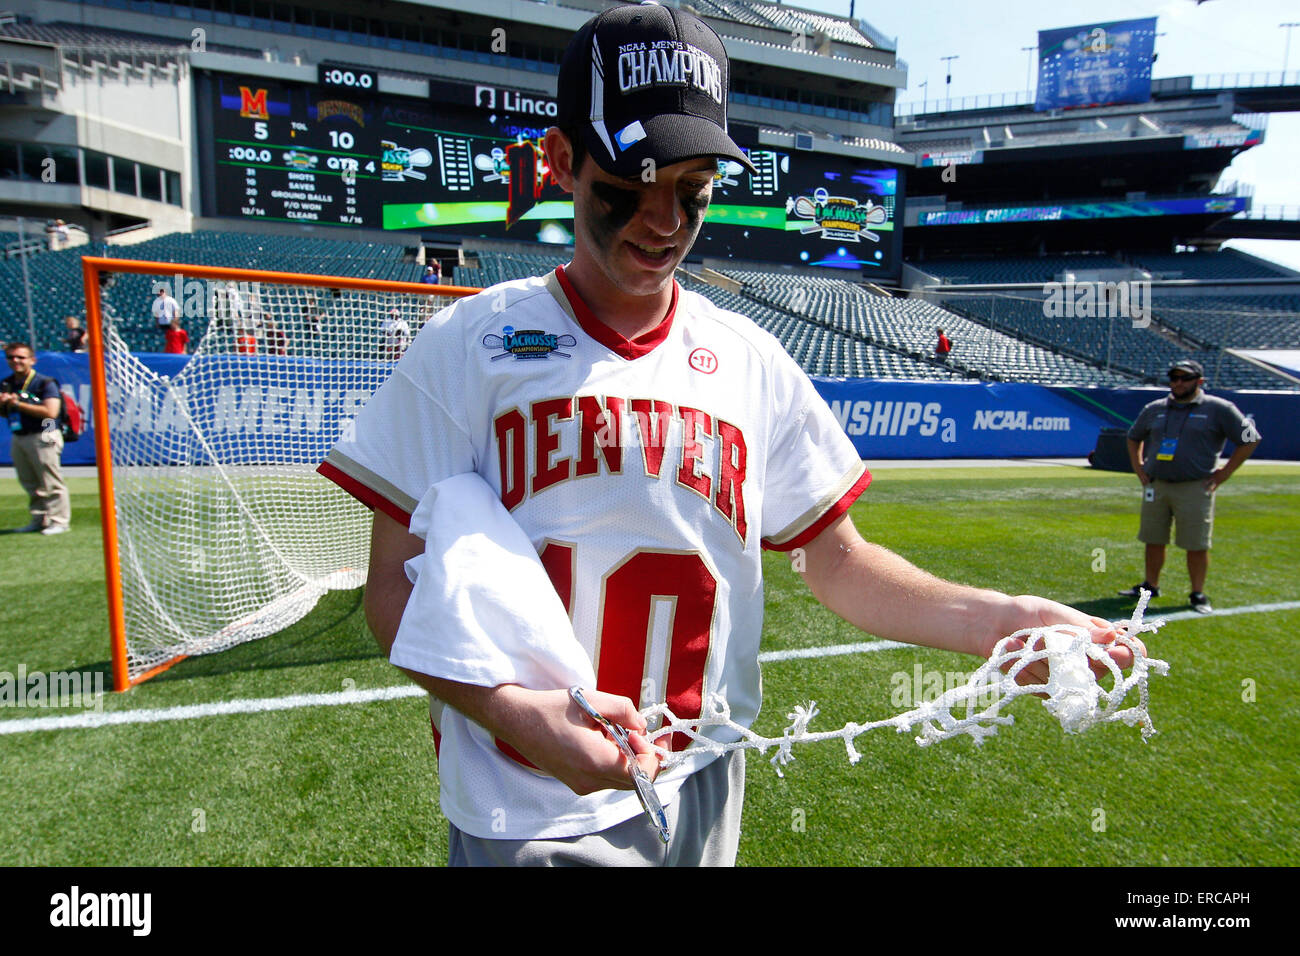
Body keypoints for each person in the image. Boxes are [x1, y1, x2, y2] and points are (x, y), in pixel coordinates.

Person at [319, 1, 1136, 867]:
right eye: (628, 186)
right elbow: (393, 594)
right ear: (560, 161)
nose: (664, 220)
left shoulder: (749, 360)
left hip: (705, 780)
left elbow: (840, 562)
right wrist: (517, 715)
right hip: (529, 804)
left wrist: (1002, 621)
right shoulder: (467, 347)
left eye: (693, 189)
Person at [1120, 358, 1260, 614]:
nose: (1178, 382)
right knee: (1153, 539)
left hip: (1195, 486)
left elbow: (1250, 439)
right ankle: (1150, 586)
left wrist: (1224, 473)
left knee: (1196, 543)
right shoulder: (1155, 408)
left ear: (1200, 381)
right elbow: (1133, 437)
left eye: (1185, 378)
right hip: (1157, 484)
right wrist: (1139, 468)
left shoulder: (1219, 408)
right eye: (1174, 377)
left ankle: (1197, 593)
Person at [1, 342, 70, 535]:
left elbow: (50, 412)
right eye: (11, 357)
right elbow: (6, 413)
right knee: (29, 481)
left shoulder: (44, 382)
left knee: (50, 479)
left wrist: (17, 403)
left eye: (21, 357)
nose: (15, 361)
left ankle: (59, 520)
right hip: (20, 434)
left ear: (32, 360)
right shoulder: (7, 383)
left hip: (45, 432)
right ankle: (39, 518)